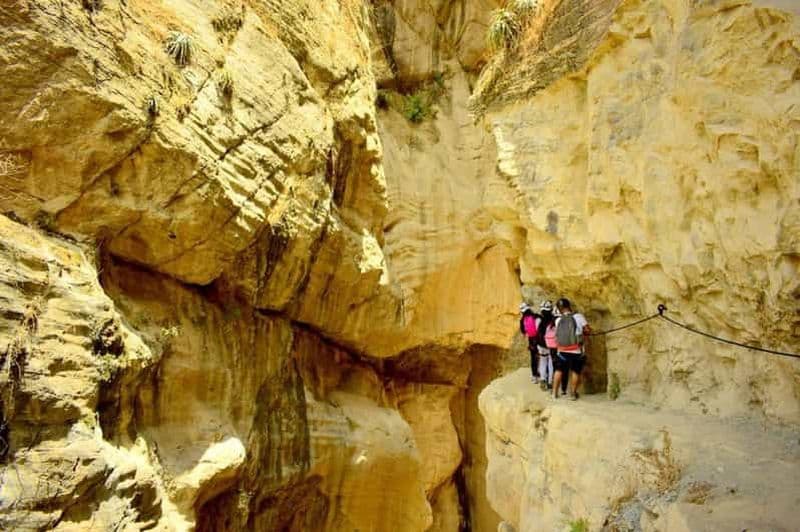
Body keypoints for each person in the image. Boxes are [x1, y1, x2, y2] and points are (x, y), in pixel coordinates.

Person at [552, 298, 590, 400]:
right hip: (576, 350)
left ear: (559, 309)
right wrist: (584, 335)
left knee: (559, 370)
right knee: (575, 371)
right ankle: (573, 394)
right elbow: (587, 329)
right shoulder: (578, 316)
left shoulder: (558, 320)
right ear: (569, 306)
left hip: (562, 350)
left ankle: (554, 393)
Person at [535, 300, 556, 391]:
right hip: (551, 345)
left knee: (543, 362)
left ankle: (543, 379)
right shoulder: (554, 320)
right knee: (551, 363)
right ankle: (550, 382)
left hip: (541, 345)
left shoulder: (538, 320)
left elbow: (536, 332)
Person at [519, 302, 539, 383]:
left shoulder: (522, 320)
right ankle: (543, 375)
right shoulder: (536, 316)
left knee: (533, 358)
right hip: (539, 339)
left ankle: (534, 376)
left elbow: (523, 331)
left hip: (531, 340)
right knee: (542, 357)